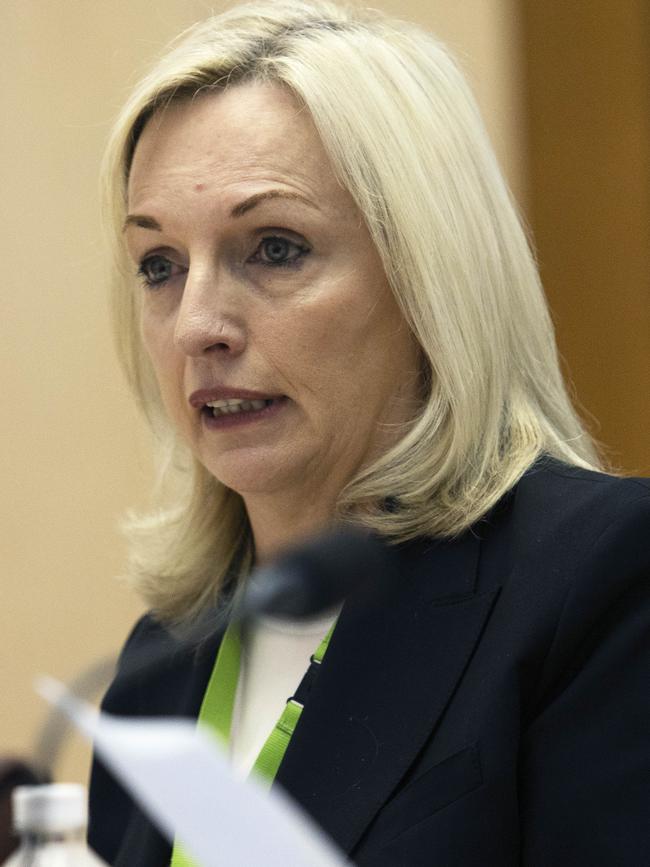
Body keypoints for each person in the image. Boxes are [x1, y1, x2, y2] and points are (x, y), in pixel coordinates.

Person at [87, 1, 650, 864]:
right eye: (160, 265)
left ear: (429, 277)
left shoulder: (598, 581)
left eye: (273, 248)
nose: (197, 322)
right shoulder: (159, 658)